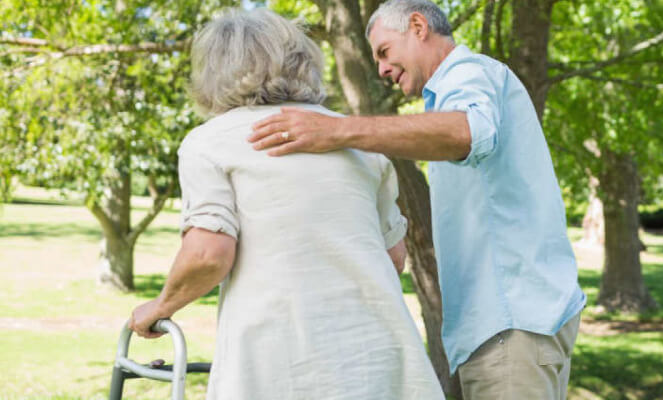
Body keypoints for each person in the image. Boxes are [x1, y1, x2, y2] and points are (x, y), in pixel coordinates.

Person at [247, 0, 586, 398]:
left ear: (418, 26)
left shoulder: (468, 73)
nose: (381, 70)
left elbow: (467, 132)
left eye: (385, 52)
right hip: (512, 322)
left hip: (510, 324)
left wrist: (336, 132)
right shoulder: (451, 94)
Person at [127, 8, 444, 400]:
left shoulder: (210, 142)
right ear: (303, 62)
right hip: (378, 358)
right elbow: (394, 258)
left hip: (279, 361)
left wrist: (160, 306)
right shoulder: (359, 144)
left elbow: (209, 254)